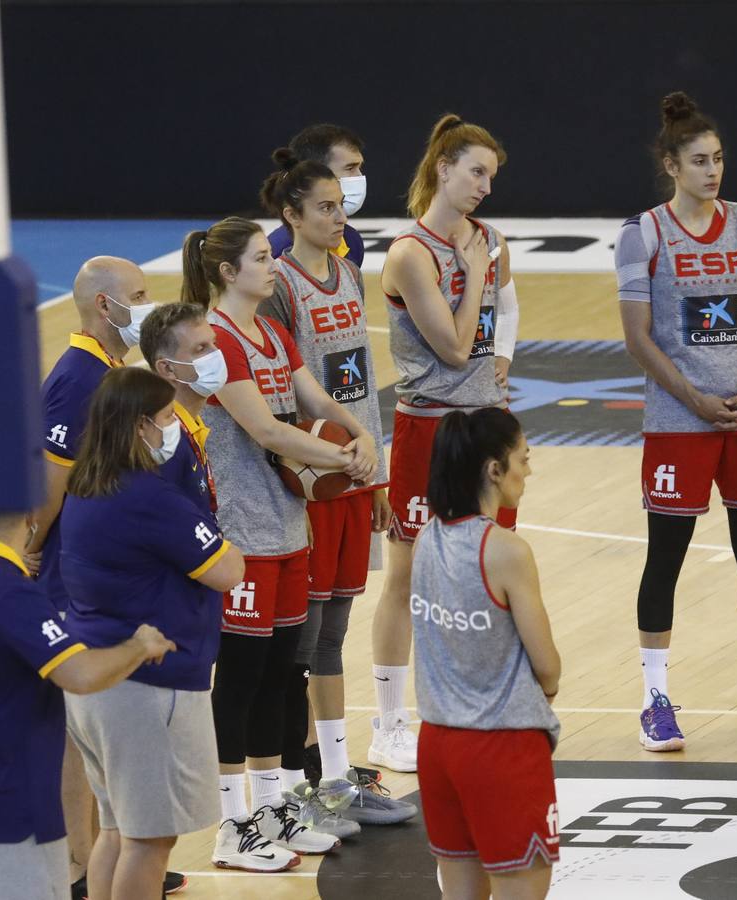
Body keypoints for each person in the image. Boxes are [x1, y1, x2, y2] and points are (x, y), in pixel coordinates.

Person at [180, 216, 392, 866]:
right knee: (241, 677)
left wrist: (355, 436)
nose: (271, 265)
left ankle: (272, 806)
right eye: (259, 258)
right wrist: (343, 462)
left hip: (287, 527)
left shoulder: (271, 331)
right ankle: (231, 820)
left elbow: (314, 400)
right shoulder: (217, 342)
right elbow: (267, 431)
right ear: (227, 272)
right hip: (241, 532)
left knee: (284, 671)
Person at [614, 91, 737, 751]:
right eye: (698, 161)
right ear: (670, 165)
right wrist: (693, 399)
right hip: (677, 423)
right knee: (666, 560)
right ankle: (654, 699)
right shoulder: (642, 232)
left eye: (717, 159)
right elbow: (636, 336)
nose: (712, 171)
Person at [0, 508, 177, 900]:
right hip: (10, 813)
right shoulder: (12, 593)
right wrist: (139, 646)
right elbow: (78, 674)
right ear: (29, 516)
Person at [20, 256, 188, 898]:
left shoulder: (108, 369)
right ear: (103, 306)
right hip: (64, 572)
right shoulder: (77, 377)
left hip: (90, 568)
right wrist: (31, 546)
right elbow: (51, 478)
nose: (149, 305)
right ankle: (82, 862)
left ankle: (106, 852)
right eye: (139, 296)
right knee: (76, 722)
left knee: (91, 721)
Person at [260, 154, 418, 828]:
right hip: (314, 480)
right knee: (307, 636)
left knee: (335, 631)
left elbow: (358, 382)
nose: (337, 217)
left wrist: (375, 469)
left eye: (339, 206)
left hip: (355, 474)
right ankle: (305, 777)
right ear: (291, 216)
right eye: (324, 207)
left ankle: (332, 772)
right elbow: (283, 397)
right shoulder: (281, 287)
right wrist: (319, 464)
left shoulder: (348, 272)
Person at [59, 367, 248, 899]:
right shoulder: (149, 498)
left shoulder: (85, 486)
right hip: (147, 691)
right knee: (149, 841)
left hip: (98, 686)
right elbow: (228, 569)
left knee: (117, 832)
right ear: (141, 425)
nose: (175, 428)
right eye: (167, 418)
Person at [373, 113, 520, 772]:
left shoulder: (489, 239)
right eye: (476, 172)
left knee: (492, 570)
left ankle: (488, 699)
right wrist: (470, 268)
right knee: (406, 577)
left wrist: (506, 362)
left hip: (484, 422)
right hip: (428, 426)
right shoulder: (410, 254)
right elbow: (457, 347)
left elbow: (506, 306)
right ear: (442, 169)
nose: (485, 187)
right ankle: (388, 722)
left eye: (491, 175)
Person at [413, 408, 561, 899]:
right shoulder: (506, 551)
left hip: (437, 745)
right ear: (494, 470)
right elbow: (548, 667)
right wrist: (549, 686)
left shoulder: (425, 541)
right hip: (502, 747)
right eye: (523, 458)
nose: (529, 470)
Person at [138, 302, 226, 519]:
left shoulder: (189, 423)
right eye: (201, 349)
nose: (217, 354)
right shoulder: (162, 440)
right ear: (167, 368)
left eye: (214, 343)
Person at [266, 123, 368, 267]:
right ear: (316, 171)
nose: (359, 177)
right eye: (350, 168)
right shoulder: (275, 254)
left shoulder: (352, 241)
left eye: (360, 168)